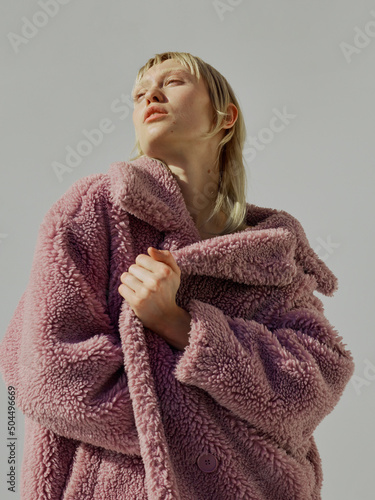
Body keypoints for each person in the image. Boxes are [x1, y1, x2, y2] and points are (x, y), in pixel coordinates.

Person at [0, 51, 354, 500]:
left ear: (225, 117)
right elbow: (51, 374)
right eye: (139, 92)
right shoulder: (95, 211)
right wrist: (208, 432)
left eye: (173, 81)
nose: (151, 94)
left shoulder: (271, 254)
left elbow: (313, 381)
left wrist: (181, 326)